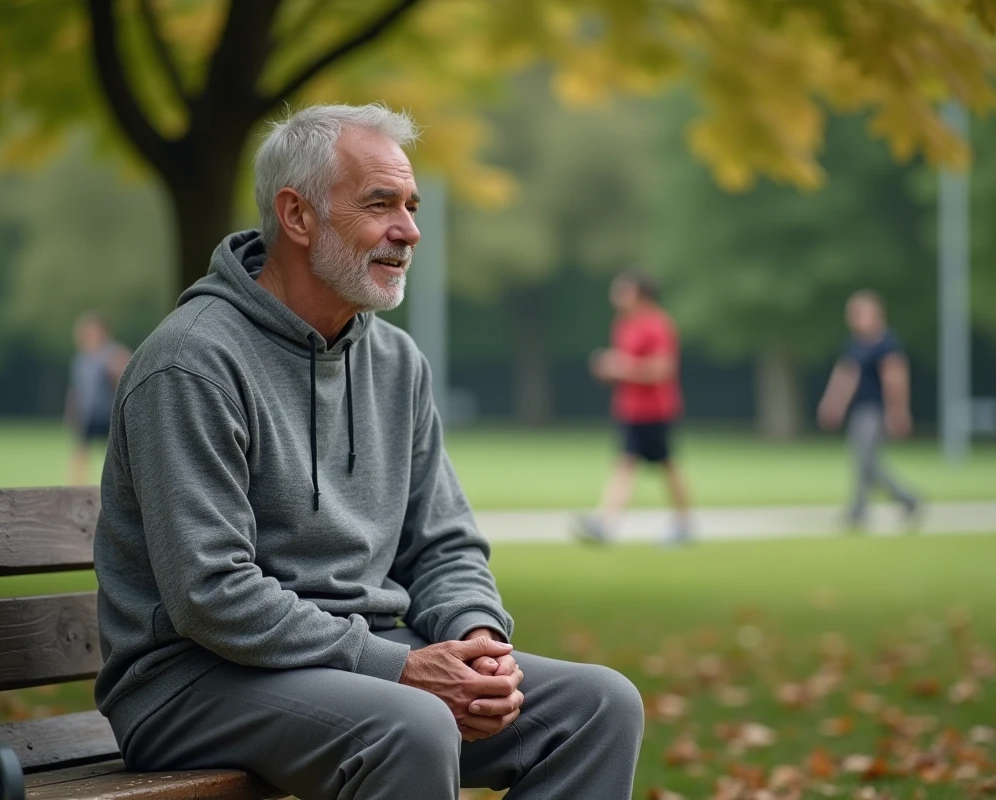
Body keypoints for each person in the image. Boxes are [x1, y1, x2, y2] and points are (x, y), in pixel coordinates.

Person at [91, 104, 644, 800]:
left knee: (599, 708)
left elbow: (444, 546)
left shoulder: (395, 362)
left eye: (411, 206)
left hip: (367, 661)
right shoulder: (191, 362)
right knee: (411, 724)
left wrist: (478, 644)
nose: (409, 231)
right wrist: (400, 669)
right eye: (380, 204)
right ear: (297, 216)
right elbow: (211, 595)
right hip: (192, 682)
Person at [577, 271, 691, 545]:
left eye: (622, 290)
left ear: (641, 294)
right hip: (631, 409)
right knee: (627, 463)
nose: (615, 296)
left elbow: (663, 369)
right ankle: (607, 522)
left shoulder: (658, 325)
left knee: (664, 464)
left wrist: (623, 367)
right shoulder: (623, 325)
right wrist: (610, 371)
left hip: (656, 410)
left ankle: (682, 523)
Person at [817, 290, 922, 530]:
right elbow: (846, 375)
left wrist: (898, 411)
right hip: (859, 410)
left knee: (866, 461)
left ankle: (865, 508)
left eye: (858, 313)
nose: (853, 319)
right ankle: (902, 500)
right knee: (865, 461)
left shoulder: (886, 343)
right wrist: (833, 403)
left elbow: (895, 378)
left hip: (875, 411)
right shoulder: (855, 344)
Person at [64, 312, 129, 485]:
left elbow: (125, 377)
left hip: (108, 412)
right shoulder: (81, 359)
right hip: (87, 414)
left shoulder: (113, 353)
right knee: (80, 452)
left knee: (113, 453)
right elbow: (78, 389)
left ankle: (117, 485)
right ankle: (76, 488)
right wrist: (72, 412)